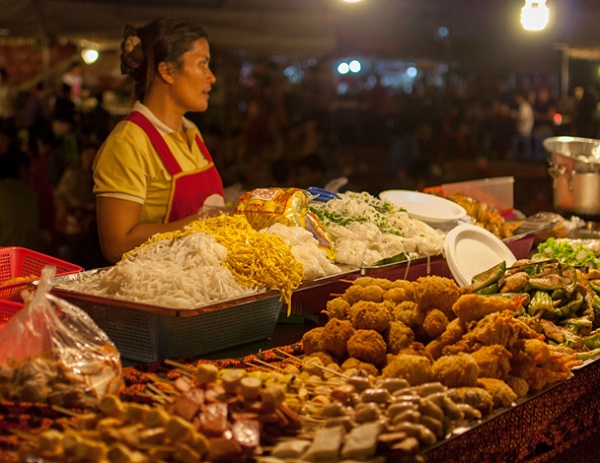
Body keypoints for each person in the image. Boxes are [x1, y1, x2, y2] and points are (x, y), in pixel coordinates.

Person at [93, 17, 225, 264]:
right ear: (167, 71)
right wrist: (204, 221)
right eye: (202, 64)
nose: (211, 77)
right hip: (160, 292)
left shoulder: (191, 131)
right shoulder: (128, 143)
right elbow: (116, 244)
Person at [510, 92, 534, 160]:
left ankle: (514, 156)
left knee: (509, 133)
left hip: (525, 130)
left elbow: (521, 118)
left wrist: (513, 115)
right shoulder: (524, 106)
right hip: (524, 130)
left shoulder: (524, 106)